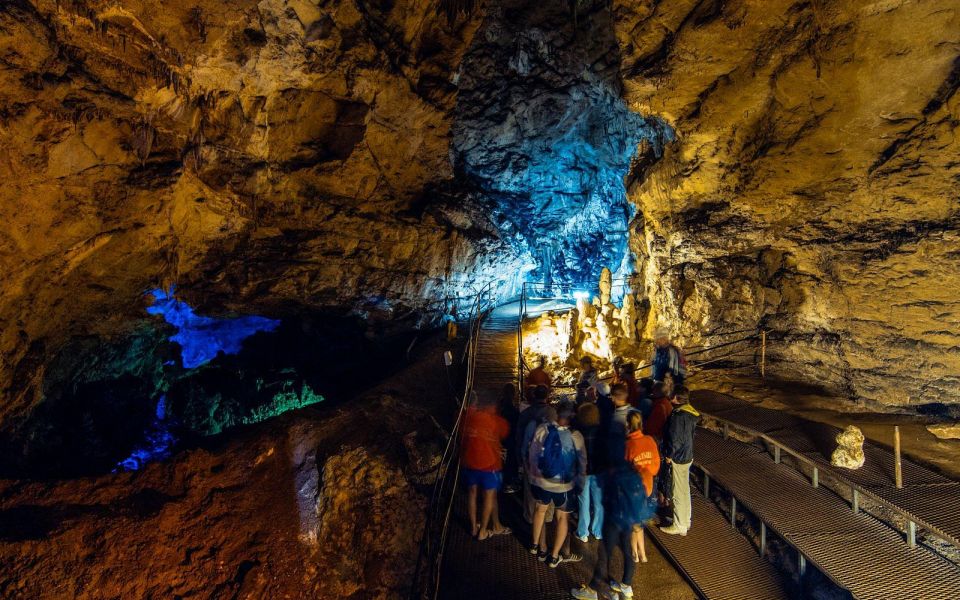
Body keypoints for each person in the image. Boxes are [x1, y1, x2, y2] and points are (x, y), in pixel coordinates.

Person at [571, 389, 650, 600]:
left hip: (617, 510)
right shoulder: (632, 449)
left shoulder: (620, 453)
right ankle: (625, 585)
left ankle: (594, 589)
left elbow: (618, 480)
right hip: (627, 508)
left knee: (606, 550)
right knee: (625, 548)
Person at [528, 401, 586, 568]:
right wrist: (580, 483)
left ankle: (536, 546)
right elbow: (582, 462)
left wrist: (534, 477)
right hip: (564, 485)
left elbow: (533, 454)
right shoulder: (576, 435)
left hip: (542, 482)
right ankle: (554, 557)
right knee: (562, 518)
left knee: (540, 511)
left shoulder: (542, 429)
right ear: (571, 416)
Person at [460, 391, 511, 540]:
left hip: (470, 462)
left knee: (472, 494)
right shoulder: (496, 421)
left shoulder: (469, 418)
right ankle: (483, 530)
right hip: (490, 466)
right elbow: (505, 432)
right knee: (489, 496)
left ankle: (473, 528)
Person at [660, 386, 700, 536]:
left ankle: (679, 525)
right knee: (684, 490)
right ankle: (685, 520)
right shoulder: (689, 412)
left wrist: (669, 454)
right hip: (687, 454)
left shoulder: (678, 416)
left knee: (677, 491)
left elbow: (675, 439)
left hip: (679, 457)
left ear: (676, 398)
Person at [625, 411, 660, 563]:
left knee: (634, 523)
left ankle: (635, 553)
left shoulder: (629, 445)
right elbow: (655, 468)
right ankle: (643, 554)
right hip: (647, 486)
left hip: (633, 488)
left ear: (628, 425)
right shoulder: (650, 440)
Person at [575, 402, 605, 543]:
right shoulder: (601, 432)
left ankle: (583, 532)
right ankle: (598, 530)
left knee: (584, 502)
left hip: (583, 472)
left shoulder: (578, 432)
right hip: (599, 472)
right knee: (599, 503)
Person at [498, 383, 521, 493]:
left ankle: (501, 481)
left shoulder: (500, 406)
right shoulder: (512, 409)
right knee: (510, 460)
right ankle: (507, 482)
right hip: (510, 439)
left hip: (500, 438)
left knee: (502, 460)